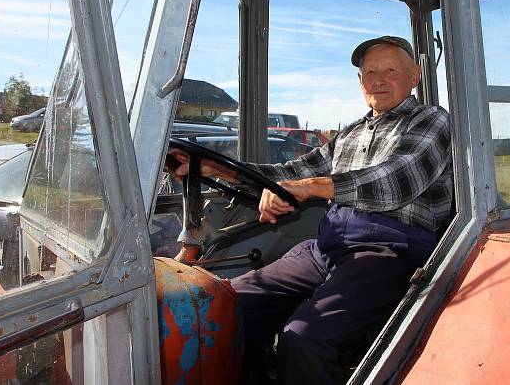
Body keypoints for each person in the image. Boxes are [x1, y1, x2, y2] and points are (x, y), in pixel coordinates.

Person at [167, 35, 453, 384]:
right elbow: (291, 174)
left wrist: (313, 187)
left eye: (391, 70)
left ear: (415, 76)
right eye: (370, 72)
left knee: (304, 338)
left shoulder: (430, 120)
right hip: (328, 247)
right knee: (228, 304)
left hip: (392, 251)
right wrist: (216, 169)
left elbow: (397, 177)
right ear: (360, 82)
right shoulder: (352, 132)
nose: (378, 79)